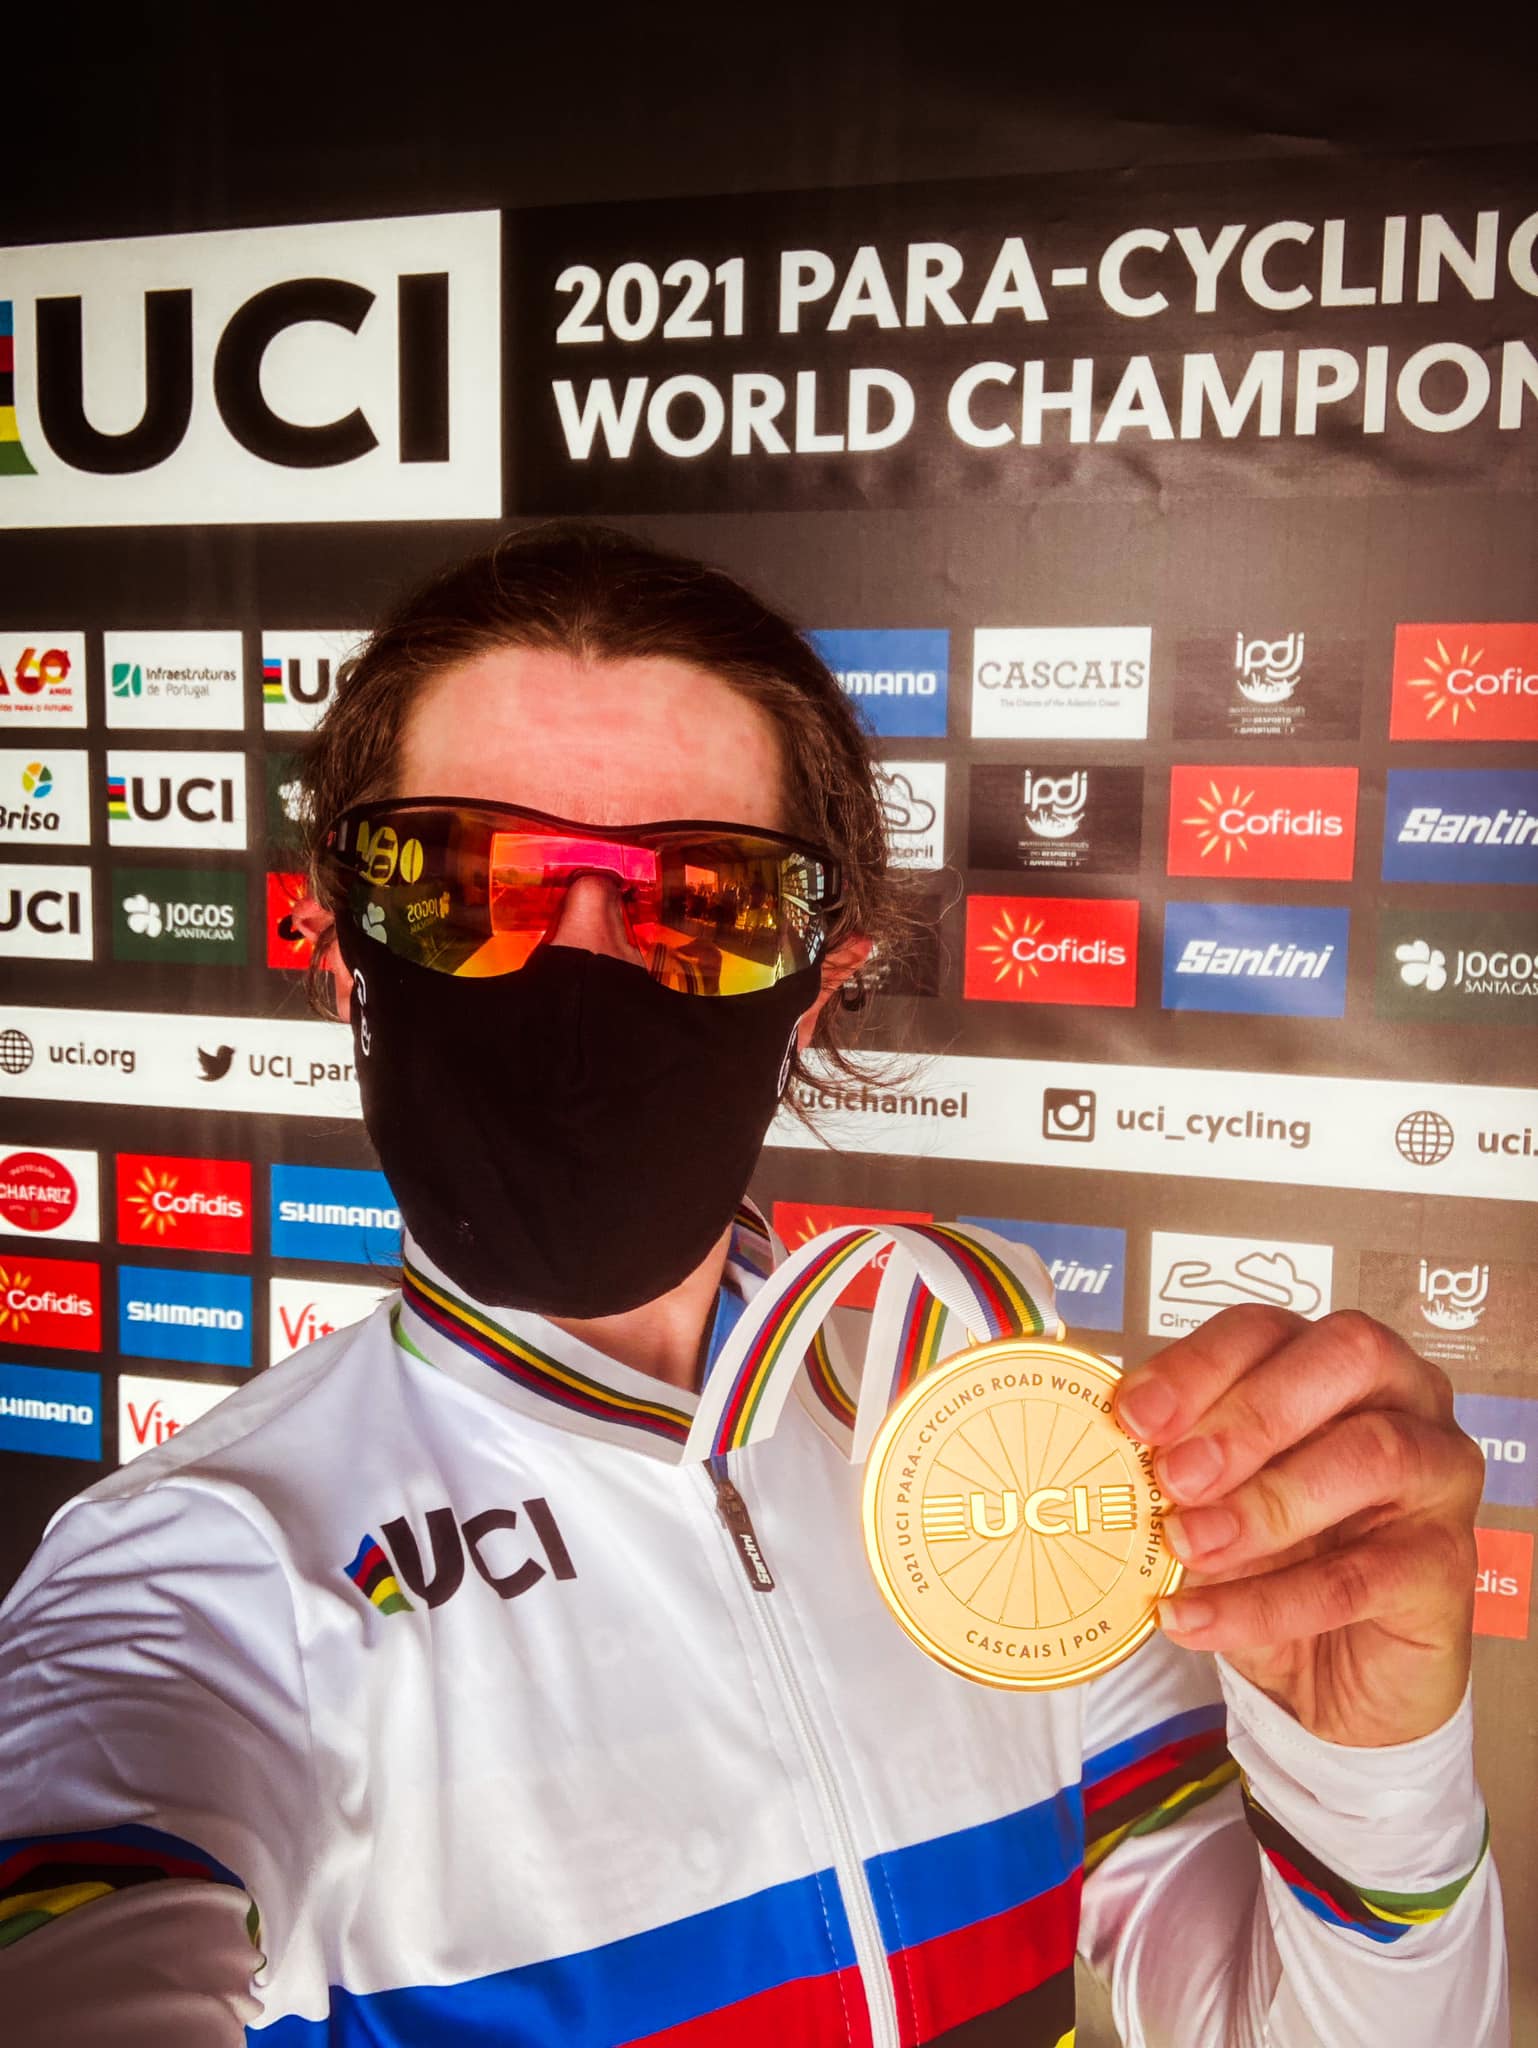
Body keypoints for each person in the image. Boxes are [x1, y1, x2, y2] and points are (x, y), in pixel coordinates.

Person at [0, 524, 1508, 2046]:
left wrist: (1369, 1781)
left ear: (814, 991)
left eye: (701, 901)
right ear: (340, 955)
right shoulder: (207, 1574)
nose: (577, 971)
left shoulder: (1008, 1469)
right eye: (464, 880)